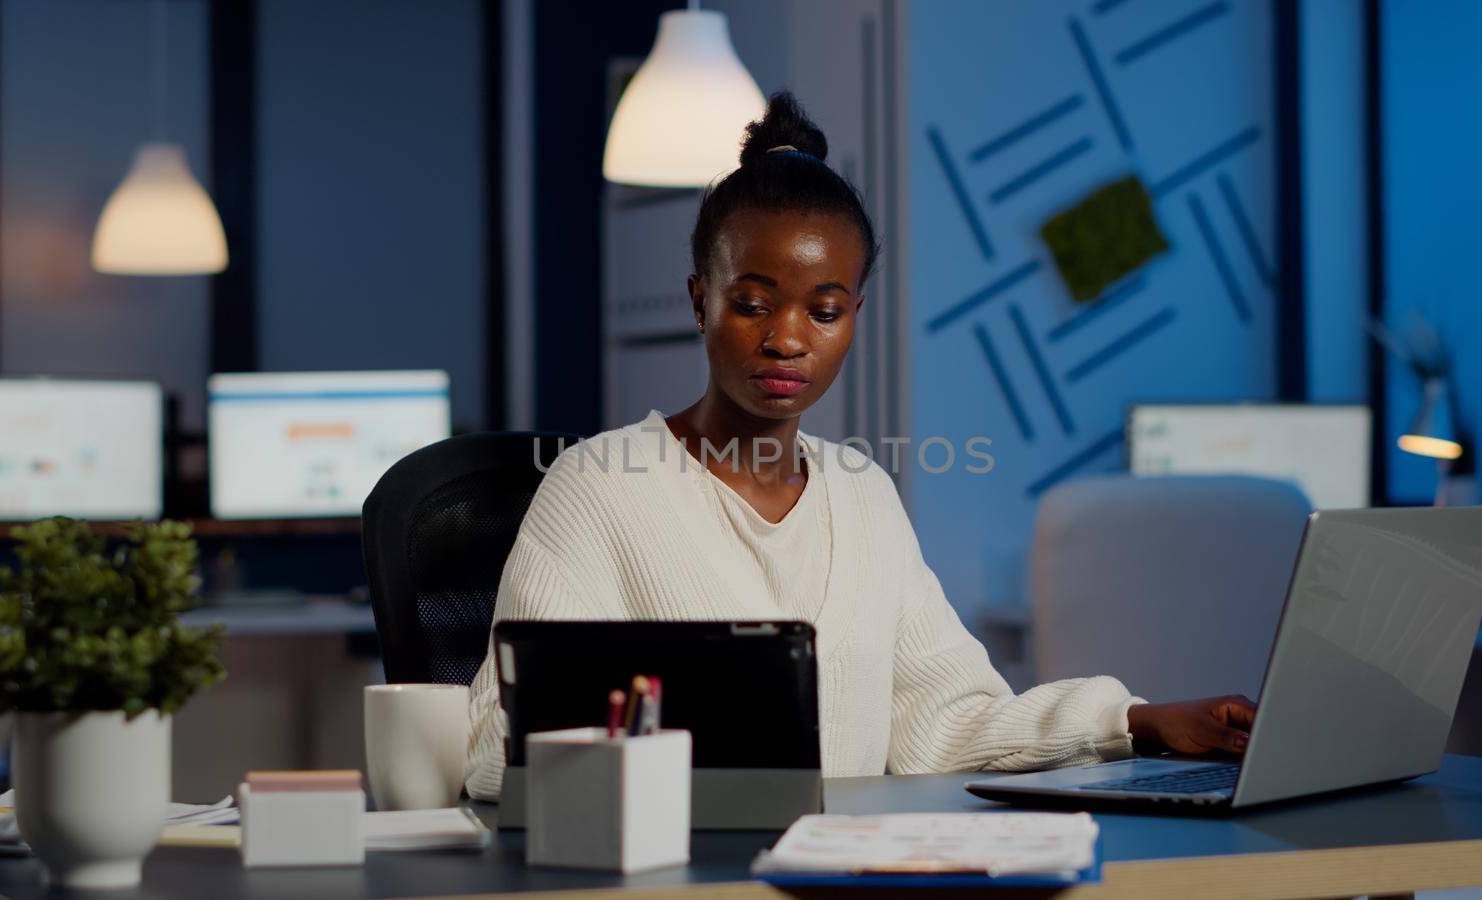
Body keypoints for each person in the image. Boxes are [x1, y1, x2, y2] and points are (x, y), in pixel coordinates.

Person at [464, 92, 1255, 800]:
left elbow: (944, 722)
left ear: (855, 316)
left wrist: (1140, 721)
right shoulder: (600, 487)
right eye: (751, 303)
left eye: (825, 310)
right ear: (700, 303)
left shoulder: (863, 495)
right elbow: (496, 750)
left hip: (847, 877)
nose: (786, 340)